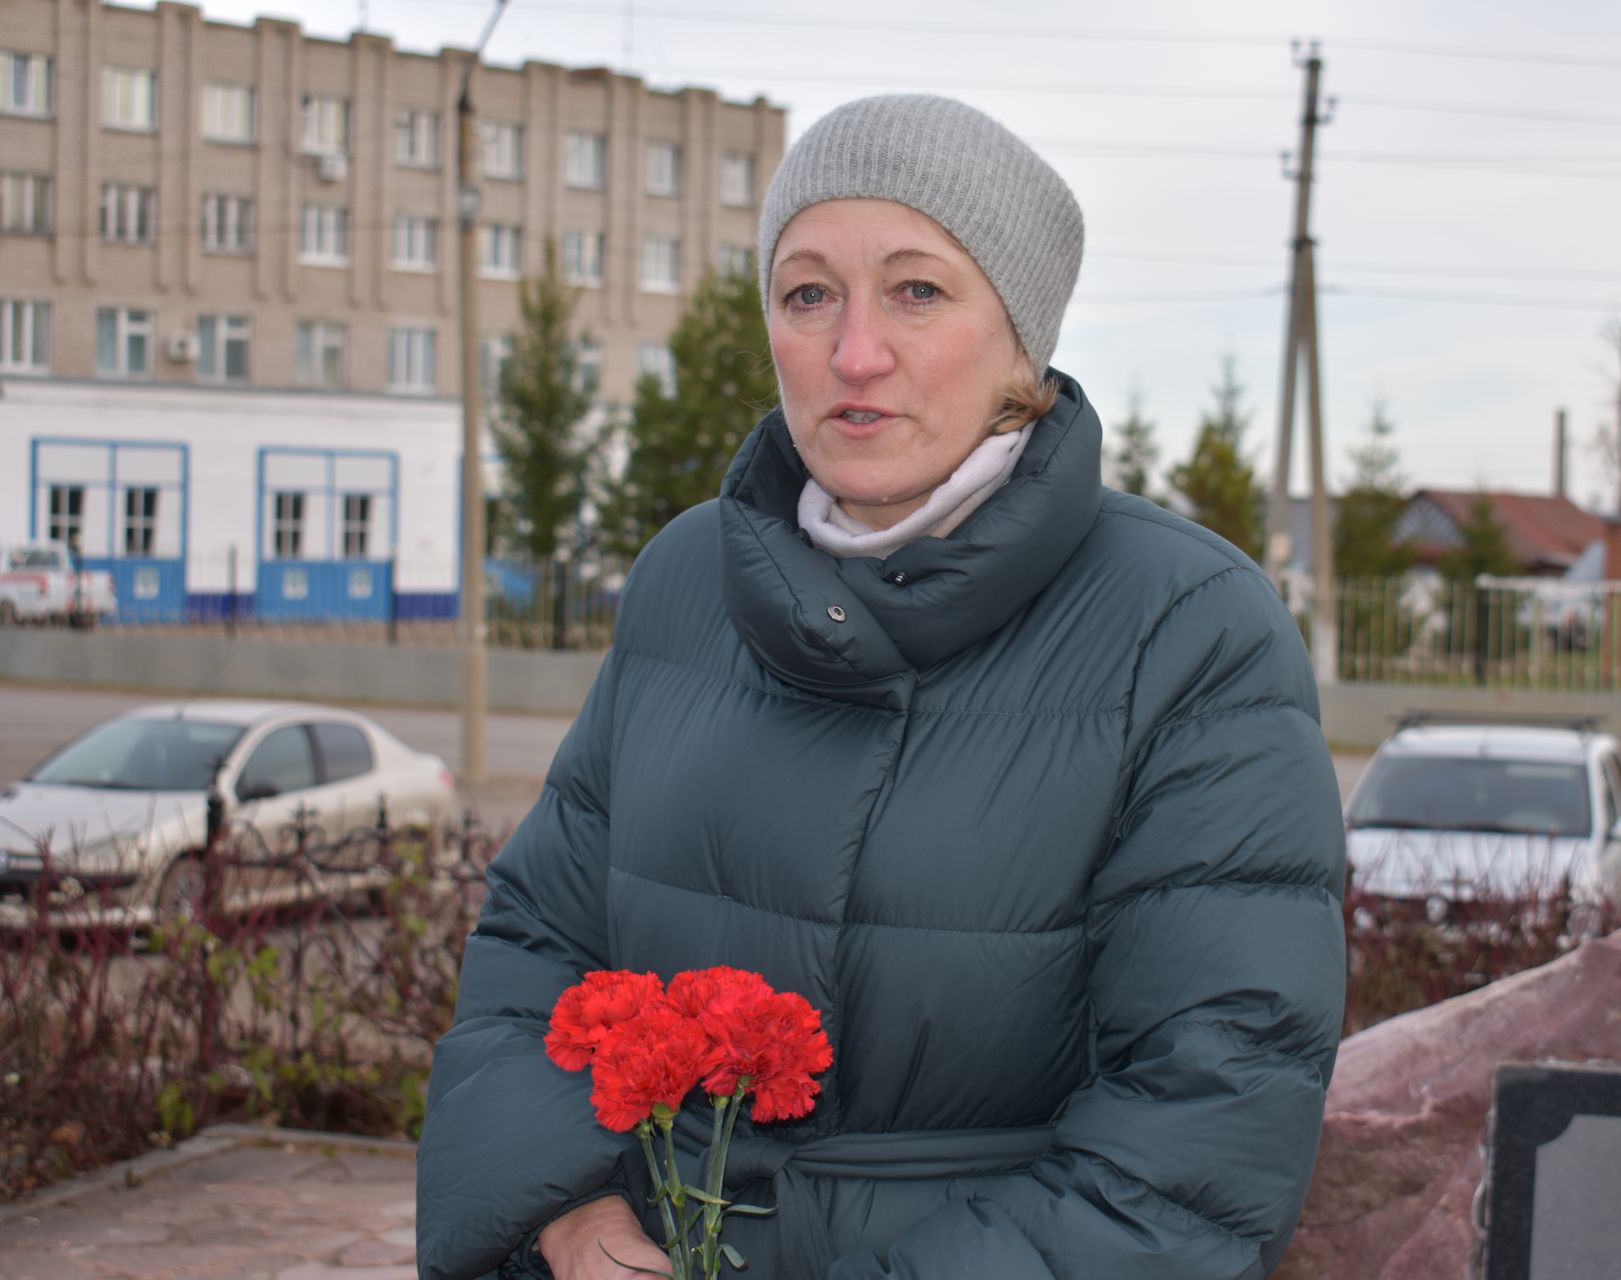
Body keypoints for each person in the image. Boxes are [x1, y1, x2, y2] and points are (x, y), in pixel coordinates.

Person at [417, 93, 1346, 1280]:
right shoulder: (681, 584)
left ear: (1022, 337)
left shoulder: (1187, 629)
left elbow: (1204, 1121)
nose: (855, 352)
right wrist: (569, 1213)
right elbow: (536, 951)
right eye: (809, 293)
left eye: (917, 290)